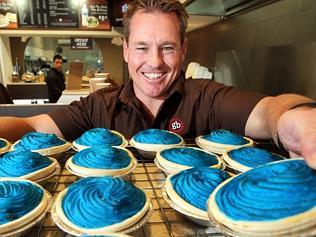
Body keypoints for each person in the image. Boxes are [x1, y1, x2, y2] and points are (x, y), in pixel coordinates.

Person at [0, 0, 316, 168]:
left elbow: (268, 109)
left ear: (183, 50)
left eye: (167, 47)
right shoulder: (99, 105)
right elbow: (31, 124)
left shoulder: (205, 98)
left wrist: (295, 118)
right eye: (141, 47)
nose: (154, 62)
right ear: (125, 51)